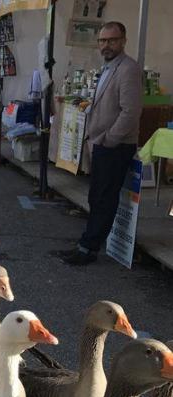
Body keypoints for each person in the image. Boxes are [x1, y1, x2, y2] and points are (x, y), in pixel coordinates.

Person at [57, 21, 143, 266]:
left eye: (112, 40)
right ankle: (87, 243)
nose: (106, 45)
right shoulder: (108, 67)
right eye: (102, 41)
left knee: (104, 197)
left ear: (123, 41)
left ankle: (88, 248)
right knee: (97, 196)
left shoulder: (128, 69)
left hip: (115, 145)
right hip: (101, 143)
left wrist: (109, 139)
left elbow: (131, 111)